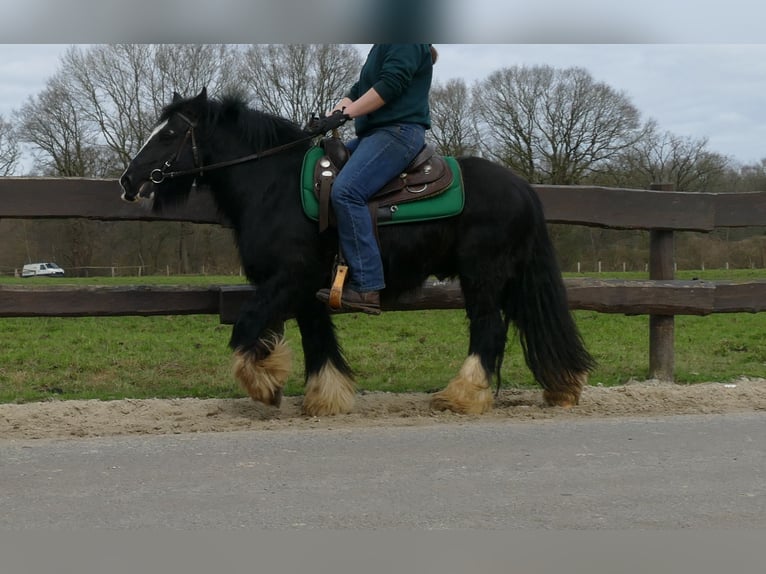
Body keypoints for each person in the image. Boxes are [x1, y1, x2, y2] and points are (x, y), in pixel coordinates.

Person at [313, 44, 438, 315]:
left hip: (398, 132)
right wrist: (335, 113)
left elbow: (390, 85)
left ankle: (367, 286)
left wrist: (348, 114)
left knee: (346, 191)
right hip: (374, 134)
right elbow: (360, 90)